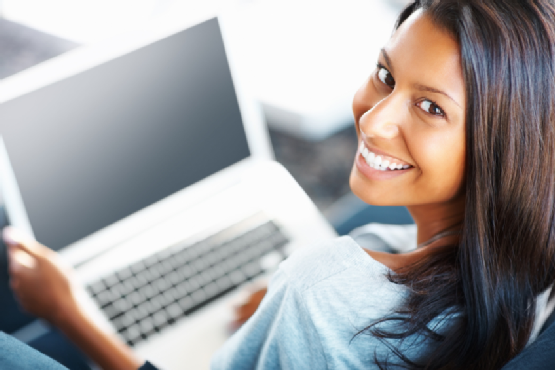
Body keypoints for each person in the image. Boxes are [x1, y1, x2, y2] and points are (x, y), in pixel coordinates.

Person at [4, 0, 555, 368]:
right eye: (386, 75)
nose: (373, 120)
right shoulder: (530, 270)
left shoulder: (323, 291)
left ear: (504, 148)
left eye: (431, 107)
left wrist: (70, 316)